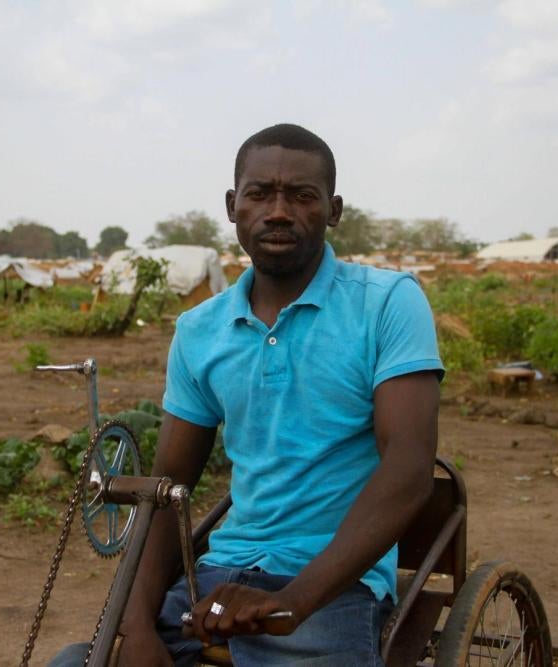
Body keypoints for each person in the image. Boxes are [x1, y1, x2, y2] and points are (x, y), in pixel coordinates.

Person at [49, 124, 443, 666]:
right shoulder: (199, 331)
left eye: (301, 195)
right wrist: (136, 626)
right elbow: (166, 487)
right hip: (219, 575)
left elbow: (409, 466)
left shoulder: (388, 304)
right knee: (77, 661)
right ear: (233, 206)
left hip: (331, 588)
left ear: (333, 210)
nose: (278, 212)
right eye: (260, 194)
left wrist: (290, 602)